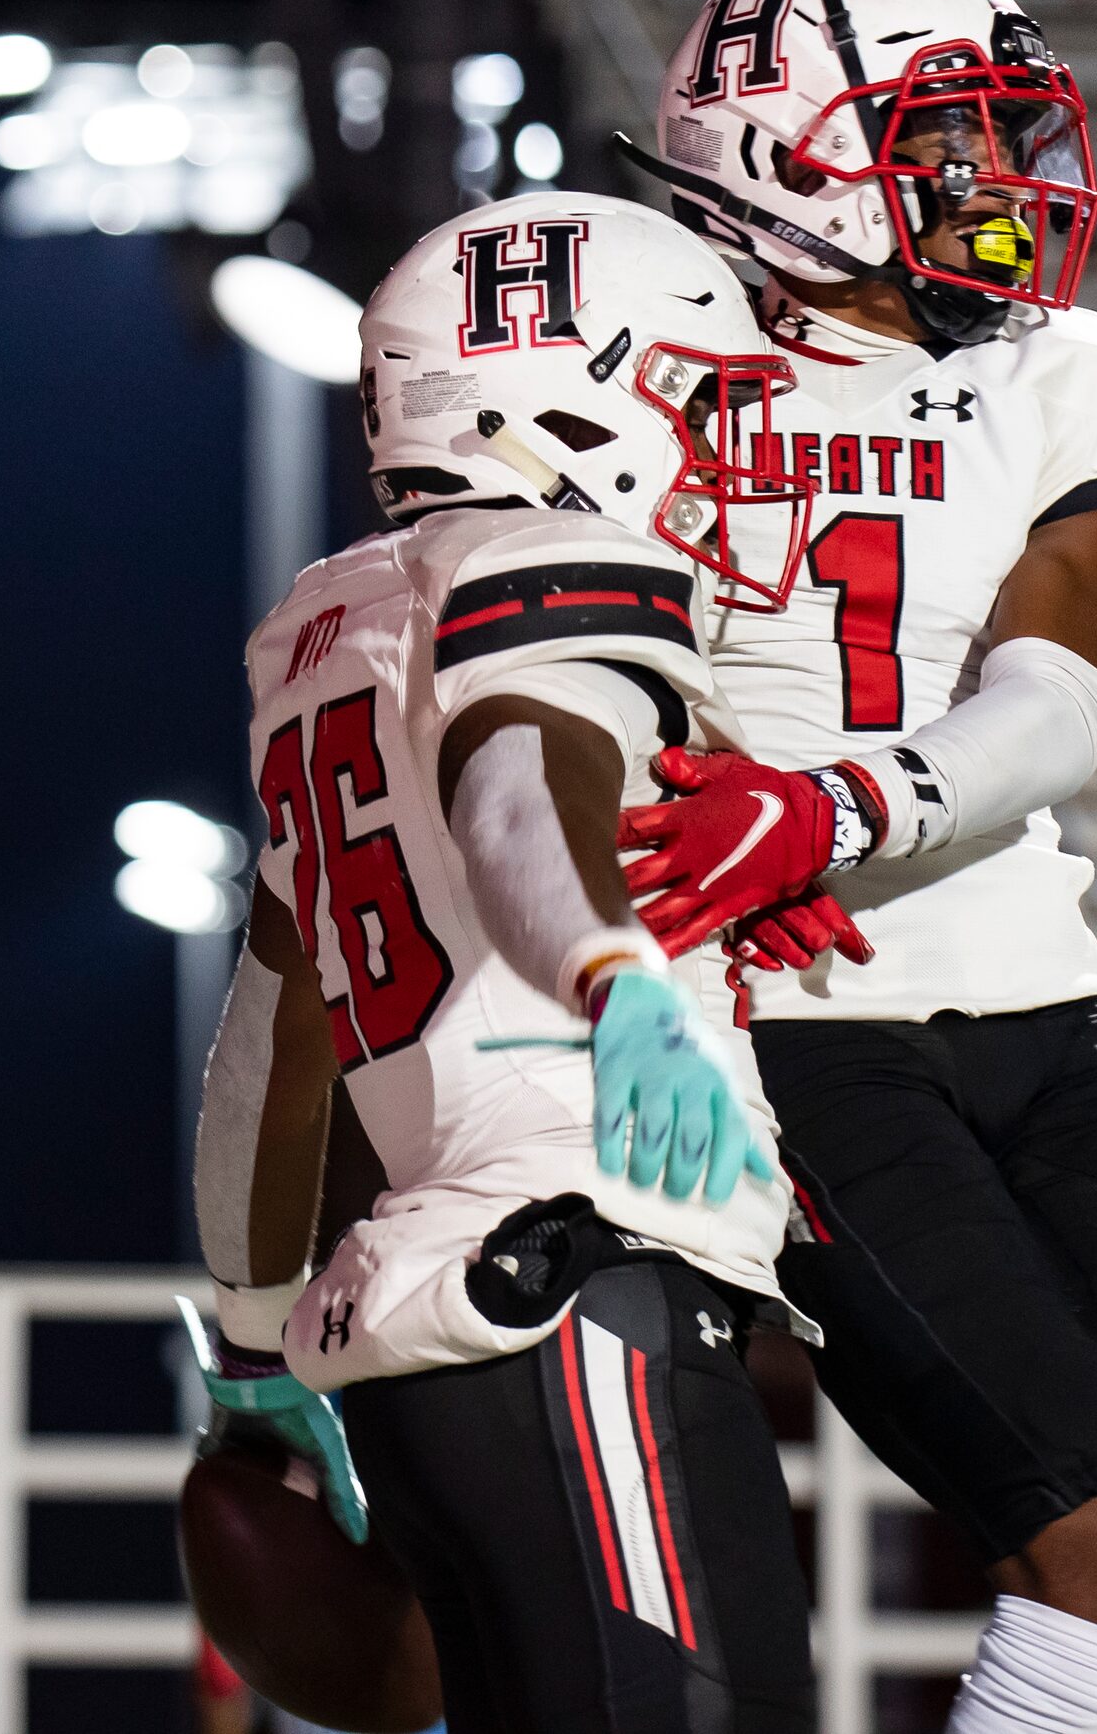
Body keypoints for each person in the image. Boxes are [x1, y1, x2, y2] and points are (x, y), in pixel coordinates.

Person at [613, 0, 1097, 1734]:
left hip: (1033, 1007)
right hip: (799, 1037)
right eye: (949, 139)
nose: (1000, 183)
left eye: (1001, 136)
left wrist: (833, 806)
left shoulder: (1064, 368)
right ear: (794, 153)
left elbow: (1055, 674)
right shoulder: (632, 362)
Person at [179, 192, 829, 1733]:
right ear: (552, 399)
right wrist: (611, 970)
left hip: (416, 1345)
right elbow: (516, 784)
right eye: (689, 394)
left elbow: (270, 1050)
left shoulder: (323, 638)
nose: (720, 453)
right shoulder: (548, 561)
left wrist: (260, 1347)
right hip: (573, 1288)